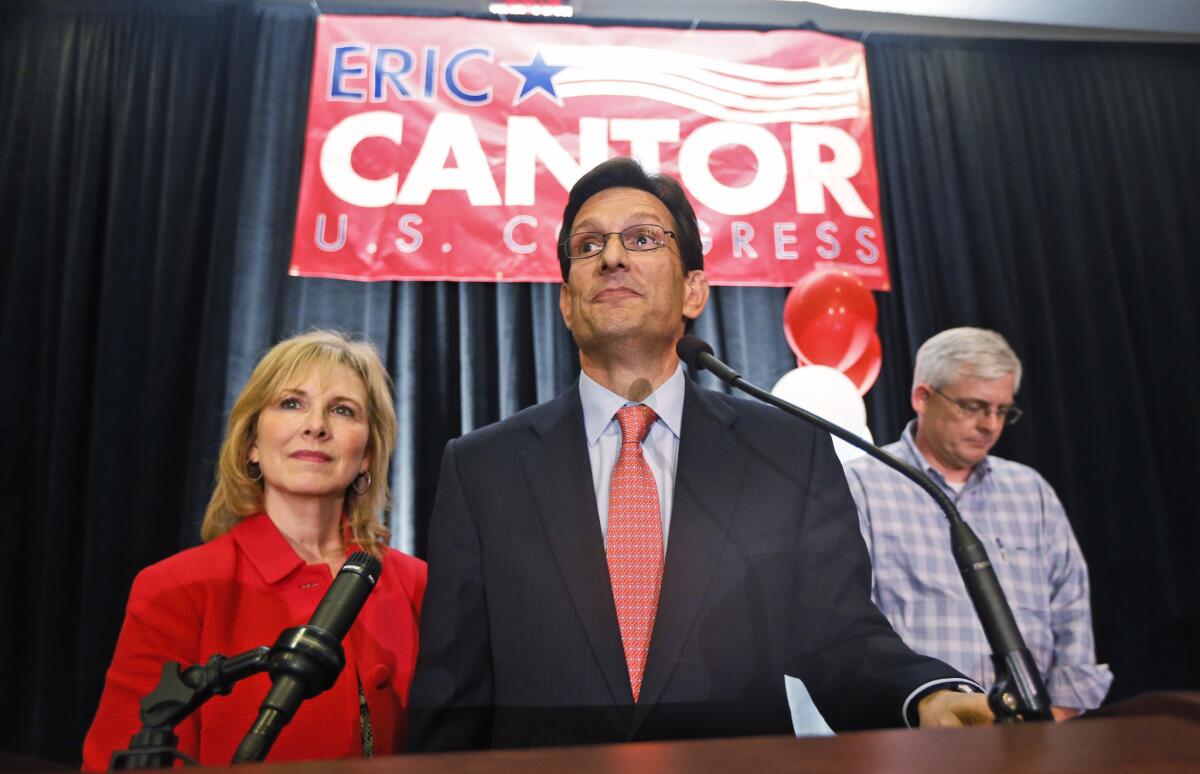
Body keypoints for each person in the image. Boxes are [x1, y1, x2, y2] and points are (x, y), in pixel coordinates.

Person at [407, 158, 991, 752]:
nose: (611, 257)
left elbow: (837, 638)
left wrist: (926, 696)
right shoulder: (482, 469)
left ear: (694, 290)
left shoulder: (787, 451)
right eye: (587, 245)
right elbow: (454, 692)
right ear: (566, 302)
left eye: (641, 238)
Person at [83, 330, 427, 769]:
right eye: (292, 403)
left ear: (366, 456)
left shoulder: (419, 585)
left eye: (342, 410)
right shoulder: (175, 588)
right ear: (251, 446)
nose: (316, 425)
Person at [843, 327, 1112, 720]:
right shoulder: (861, 485)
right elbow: (851, 627)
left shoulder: (1030, 490)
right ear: (923, 396)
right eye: (973, 406)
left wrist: (1059, 717)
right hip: (922, 737)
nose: (991, 425)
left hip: (1034, 735)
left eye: (1002, 411)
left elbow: (1071, 614)